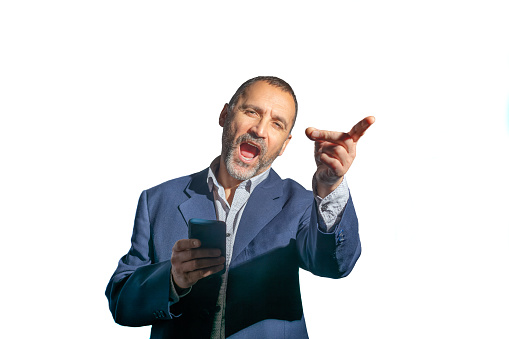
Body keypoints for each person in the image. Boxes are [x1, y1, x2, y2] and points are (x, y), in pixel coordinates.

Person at [106, 76, 375, 338]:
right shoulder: (158, 200)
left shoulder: (302, 204)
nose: (259, 130)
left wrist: (330, 186)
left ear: (284, 145)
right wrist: (172, 281)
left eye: (277, 124)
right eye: (251, 111)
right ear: (225, 115)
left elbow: (335, 265)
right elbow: (121, 302)